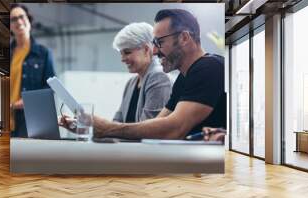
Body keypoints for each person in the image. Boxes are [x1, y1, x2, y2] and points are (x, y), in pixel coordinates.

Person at [60, 9, 226, 140]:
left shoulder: (209, 68)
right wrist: (93, 127)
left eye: (159, 43)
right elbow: (155, 125)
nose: (154, 51)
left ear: (184, 38)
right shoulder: (185, 77)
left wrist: (107, 128)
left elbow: (173, 129)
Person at [10, 4, 55, 137]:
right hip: (7, 118)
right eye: (13, 19)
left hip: (30, 118)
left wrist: (25, 101)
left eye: (21, 17)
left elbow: (50, 88)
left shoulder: (43, 53)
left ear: (29, 20)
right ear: (10, 26)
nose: (18, 21)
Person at [112, 22, 171, 123]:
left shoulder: (159, 77)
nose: (122, 59)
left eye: (127, 52)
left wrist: (106, 128)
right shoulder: (131, 83)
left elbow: (149, 128)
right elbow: (118, 120)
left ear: (146, 49)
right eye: (121, 54)